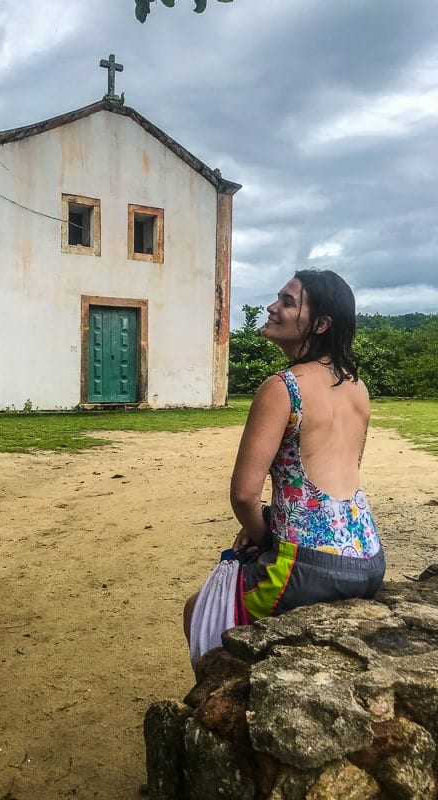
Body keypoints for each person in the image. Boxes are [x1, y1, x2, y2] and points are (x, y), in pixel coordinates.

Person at [184, 269, 385, 668]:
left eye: (288, 302)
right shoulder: (357, 387)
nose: (272, 308)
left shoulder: (283, 387)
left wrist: (264, 537)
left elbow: (243, 494)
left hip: (308, 565)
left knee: (198, 609)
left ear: (322, 323)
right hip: (369, 559)